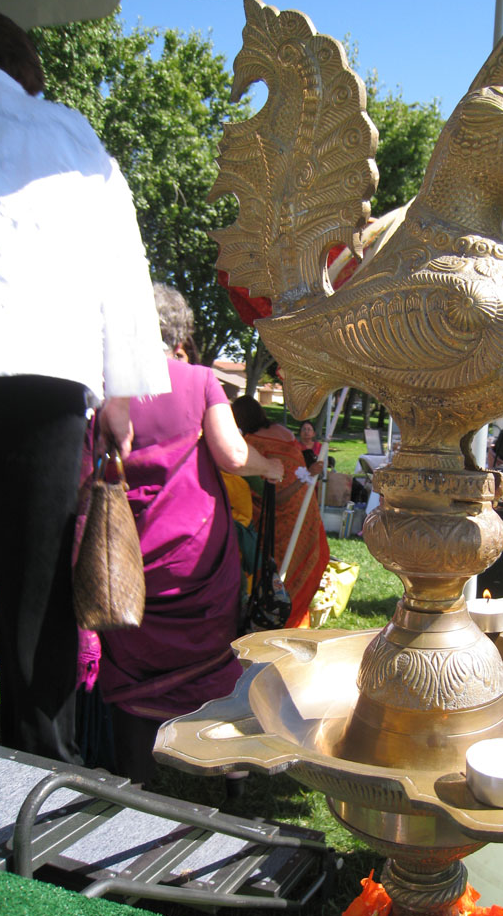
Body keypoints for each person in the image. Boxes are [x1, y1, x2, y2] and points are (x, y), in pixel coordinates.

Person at [0, 12, 171, 764]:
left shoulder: (71, 136)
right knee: (36, 590)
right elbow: (121, 272)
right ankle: (38, 768)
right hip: (44, 377)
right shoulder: (70, 134)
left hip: (42, 367)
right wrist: (119, 396)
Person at [96, 285, 283, 783]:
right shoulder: (200, 380)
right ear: (178, 335)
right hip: (196, 555)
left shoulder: (105, 387)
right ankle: (217, 762)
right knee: (207, 653)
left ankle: (134, 768)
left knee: (131, 653)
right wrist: (269, 466)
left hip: (124, 551)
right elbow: (233, 455)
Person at [233, 396, 330, 628]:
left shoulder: (249, 444)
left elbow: (271, 495)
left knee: (273, 573)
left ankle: (280, 620)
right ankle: (294, 620)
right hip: (304, 510)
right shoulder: (284, 433)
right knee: (296, 570)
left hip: (281, 517)